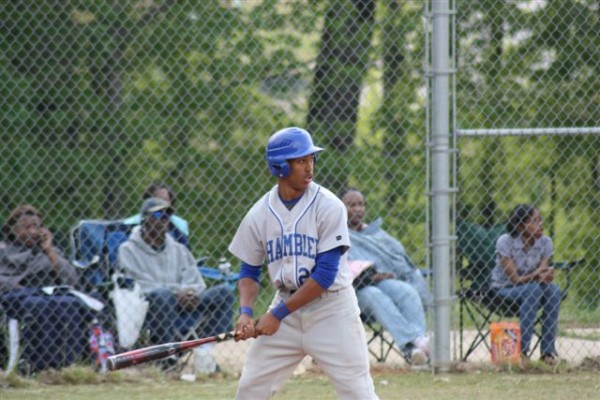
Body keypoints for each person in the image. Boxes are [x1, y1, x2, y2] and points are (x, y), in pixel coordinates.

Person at [229, 127, 378, 400]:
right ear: (280, 167)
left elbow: (324, 275)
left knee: (358, 393)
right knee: (250, 389)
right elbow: (249, 271)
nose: (309, 167)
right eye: (300, 161)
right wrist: (246, 313)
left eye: (311, 159)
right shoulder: (259, 213)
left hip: (332, 309)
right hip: (285, 305)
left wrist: (276, 315)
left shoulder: (329, 206)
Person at [117, 197, 234, 368]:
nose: (163, 219)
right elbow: (138, 283)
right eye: (157, 214)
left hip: (187, 302)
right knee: (162, 295)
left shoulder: (179, 249)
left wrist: (190, 293)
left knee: (224, 292)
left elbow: (196, 280)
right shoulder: (128, 249)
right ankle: (166, 358)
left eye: (167, 215)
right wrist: (175, 293)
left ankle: (205, 349)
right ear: (144, 220)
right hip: (151, 307)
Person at [341, 188, 431, 365]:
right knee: (376, 296)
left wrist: (382, 274)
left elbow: (396, 258)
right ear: (340, 208)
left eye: (361, 204)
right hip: (352, 291)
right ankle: (416, 343)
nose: (357, 209)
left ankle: (415, 351)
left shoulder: (375, 233)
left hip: (382, 280)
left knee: (407, 292)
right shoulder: (335, 233)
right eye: (351, 205)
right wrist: (370, 275)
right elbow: (340, 270)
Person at [0, 205, 95, 372]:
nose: (32, 231)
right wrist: (19, 287)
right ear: (12, 230)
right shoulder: (4, 251)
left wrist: (50, 251)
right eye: (25, 227)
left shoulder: (48, 251)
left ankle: (69, 365)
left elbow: (73, 281)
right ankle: (35, 364)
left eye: (36, 226)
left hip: (50, 294)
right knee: (36, 305)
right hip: (18, 296)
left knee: (70, 303)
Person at [491, 204, 561, 365]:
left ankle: (548, 352)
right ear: (520, 226)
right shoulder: (505, 242)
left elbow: (543, 272)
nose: (540, 224)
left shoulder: (545, 242)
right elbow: (515, 279)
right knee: (533, 290)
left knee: (554, 291)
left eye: (540, 220)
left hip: (531, 287)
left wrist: (547, 276)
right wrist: (538, 275)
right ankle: (522, 352)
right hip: (505, 288)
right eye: (534, 221)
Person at [122, 182, 190, 248]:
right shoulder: (130, 224)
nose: (161, 203)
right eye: (157, 199)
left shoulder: (179, 225)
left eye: (165, 200)